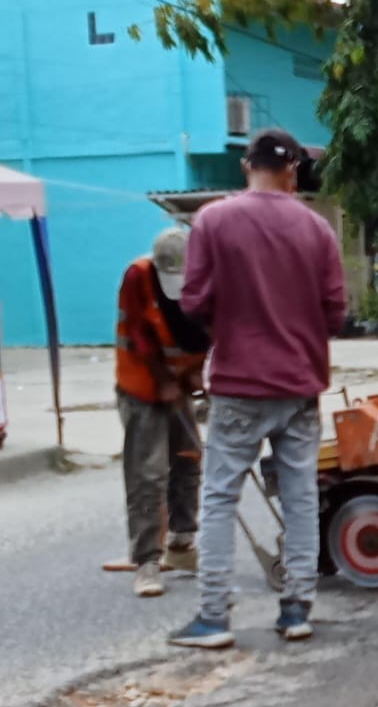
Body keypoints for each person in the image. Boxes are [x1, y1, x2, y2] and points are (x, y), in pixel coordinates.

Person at [168, 129, 347, 648]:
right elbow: (335, 315)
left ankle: (213, 618)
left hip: (238, 384)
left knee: (221, 496)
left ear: (247, 166)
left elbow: (194, 302)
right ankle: (296, 610)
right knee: (299, 497)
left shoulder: (214, 220)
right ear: (293, 170)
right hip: (299, 385)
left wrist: (233, 323)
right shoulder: (317, 229)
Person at [115, 228, 210, 598]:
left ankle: (182, 543)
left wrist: (195, 375)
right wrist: (164, 380)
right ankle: (146, 561)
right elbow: (139, 335)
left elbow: (211, 331)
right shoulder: (138, 277)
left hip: (179, 382)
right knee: (148, 472)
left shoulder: (209, 277)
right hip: (141, 383)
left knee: (189, 456)